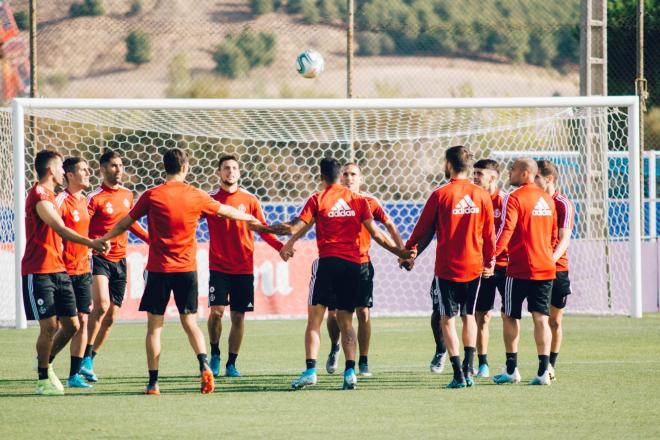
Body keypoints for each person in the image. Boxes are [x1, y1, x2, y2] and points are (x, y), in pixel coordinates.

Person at [101, 148, 264, 395]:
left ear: (164, 167)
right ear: (185, 167)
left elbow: (126, 221)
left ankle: (154, 383)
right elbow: (226, 211)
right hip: (187, 269)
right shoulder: (196, 195)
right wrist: (251, 219)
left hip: (159, 269)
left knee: (155, 328)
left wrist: (105, 237)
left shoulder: (152, 195)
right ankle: (204, 366)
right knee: (190, 323)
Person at [267, 157, 413, 390]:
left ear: (321, 177)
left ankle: (312, 370)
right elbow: (376, 233)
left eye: (353, 174)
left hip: (331, 264)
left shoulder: (321, 198)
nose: (349, 178)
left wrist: (266, 230)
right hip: (353, 266)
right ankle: (349, 371)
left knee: (317, 319)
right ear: (339, 176)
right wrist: (400, 251)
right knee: (345, 320)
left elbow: (300, 224)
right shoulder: (358, 201)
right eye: (346, 174)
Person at [405, 146, 495, 389]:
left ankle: (458, 374)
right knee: (469, 316)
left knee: (447, 319)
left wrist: (408, 251)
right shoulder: (481, 195)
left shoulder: (441, 194)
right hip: (475, 266)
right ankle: (469, 367)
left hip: (447, 269)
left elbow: (422, 228)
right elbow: (489, 234)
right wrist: (490, 261)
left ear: (448, 165)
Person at [22, 150, 107, 395]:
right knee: (49, 326)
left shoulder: (51, 194)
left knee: (72, 325)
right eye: (61, 168)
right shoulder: (39, 194)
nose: (63, 172)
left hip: (60, 269)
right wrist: (92, 243)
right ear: (51, 170)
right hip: (39, 270)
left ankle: (46, 362)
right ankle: (42, 378)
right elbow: (59, 227)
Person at [206, 155, 287, 378]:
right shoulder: (211, 200)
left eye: (234, 168)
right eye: (225, 168)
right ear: (218, 172)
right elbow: (190, 219)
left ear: (239, 173)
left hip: (243, 267)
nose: (230, 172)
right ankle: (214, 353)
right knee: (216, 313)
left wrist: (280, 247)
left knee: (238, 317)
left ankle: (231, 364)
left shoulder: (250, 200)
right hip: (219, 267)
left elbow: (262, 228)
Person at [81, 150, 149, 382]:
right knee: (100, 305)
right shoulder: (94, 197)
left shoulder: (128, 195)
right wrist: (90, 245)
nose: (118, 169)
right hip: (99, 257)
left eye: (120, 165)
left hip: (121, 259)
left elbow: (130, 224)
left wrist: (152, 239)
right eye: (113, 165)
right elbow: (81, 226)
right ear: (102, 169)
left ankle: (89, 359)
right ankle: (83, 355)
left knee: (111, 316)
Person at [492, 158, 558, 386]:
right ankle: (543, 371)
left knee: (510, 315)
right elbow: (553, 237)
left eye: (513, 168)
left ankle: (511, 370)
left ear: (525, 173)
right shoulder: (548, 199)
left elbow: (505, 230)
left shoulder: (515, 197)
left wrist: (492, 256)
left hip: (519, 268)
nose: (509, 171)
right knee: (541, 317)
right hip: (546, 267)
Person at [52, 157, 95, 388]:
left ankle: (73, 375)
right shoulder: (60, 200)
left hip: (83, 270)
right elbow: (50, 229)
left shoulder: (85, 201)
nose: (88, 173)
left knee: (83, 321)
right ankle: (44, 361)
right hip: (63, 271)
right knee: (61, 324)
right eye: (83, 170)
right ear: (69, 175)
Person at [535, 160, 574, 381]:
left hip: (556, 269)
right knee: (539, 317)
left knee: (556, 320)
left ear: (548, 179)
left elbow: (564, 238)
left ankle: (552, 364)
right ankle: (541, 364)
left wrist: (550, 260)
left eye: (537, 178)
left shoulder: (563, 204)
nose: (533, 182)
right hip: (535, 270)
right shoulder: (533, 201)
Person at [471, 159, 507, 378]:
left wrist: (496, 260)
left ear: (492, 177)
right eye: (474, 173)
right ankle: (482, 362)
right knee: (481, 316)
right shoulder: (474, 200)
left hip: (504, 267)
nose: (475, 177)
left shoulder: (505, 201)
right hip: (481, 266)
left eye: (479, 174)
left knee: (509, 315)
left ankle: (511, 362)